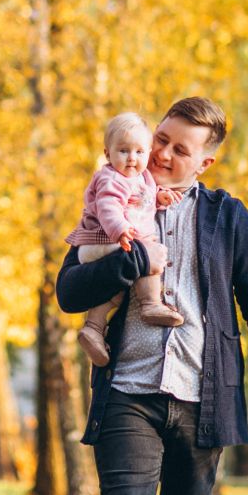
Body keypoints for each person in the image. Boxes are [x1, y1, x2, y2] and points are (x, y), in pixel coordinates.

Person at [56, 96, 248, 495]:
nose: (161, 154)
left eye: (180, 149)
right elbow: (69, 292)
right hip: (128, 392)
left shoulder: (228, 217)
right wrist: (133, 257)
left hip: (200, 397)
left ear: (205, 162)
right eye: (161, 139)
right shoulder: (111, 201)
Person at [66, 112, 185, 367]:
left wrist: (160, 197)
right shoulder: (111, 178)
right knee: (150, 255)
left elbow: (142, 198)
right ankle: (151, 303)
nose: (132, 158)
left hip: (110, 241)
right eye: (123, 151)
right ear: (108, 154)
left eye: (140, 152)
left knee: (117, 289)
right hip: (103, 239)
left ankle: (94, 328)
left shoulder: (142, 178)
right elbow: (108, 206)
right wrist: (119, 229)